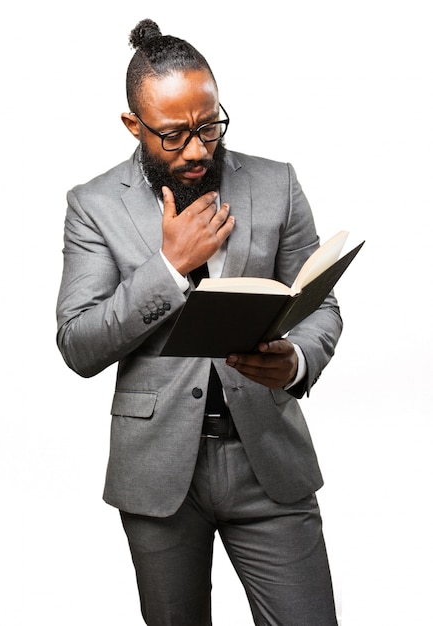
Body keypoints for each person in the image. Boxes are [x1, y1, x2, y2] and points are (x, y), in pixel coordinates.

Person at [56, 18, 342, 626]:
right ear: (135, 126)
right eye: (174, 135)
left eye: (209, 126)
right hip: (158, 475)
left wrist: (295, 361)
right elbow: (78, 343)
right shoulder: (94, 204)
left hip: (269, 461)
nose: (197, 150)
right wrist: (168, 267)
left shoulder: (276, 184)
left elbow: (321, 304)